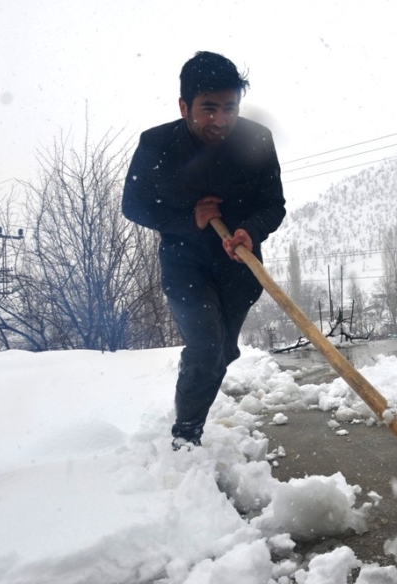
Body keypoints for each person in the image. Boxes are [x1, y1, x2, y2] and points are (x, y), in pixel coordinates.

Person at [122, 51, 286, 449]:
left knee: (221, 352)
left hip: (240, 267)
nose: (220, 119)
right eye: (208, 108)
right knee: (206, 348)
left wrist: (250, 229)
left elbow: (273, 205)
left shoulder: (257, 141)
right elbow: (134, 205)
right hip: (185, 263)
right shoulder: (157, 144)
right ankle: (186, 435)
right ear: (184, 107)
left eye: (229, 108)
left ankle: (195, 387)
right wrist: (188, 220)